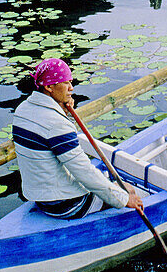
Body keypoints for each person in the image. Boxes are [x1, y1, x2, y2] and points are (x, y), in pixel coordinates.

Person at [12, 57, 144, 218]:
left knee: (108, 183)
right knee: (128, 189)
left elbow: (49, 135)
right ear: (49, 87)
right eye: (66, 83)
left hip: (40, 198)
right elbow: (83, 171)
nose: (71, 88)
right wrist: (123, 199)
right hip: (66, 204)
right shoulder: (57, 125)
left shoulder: (22, 109)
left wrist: (62, 110)